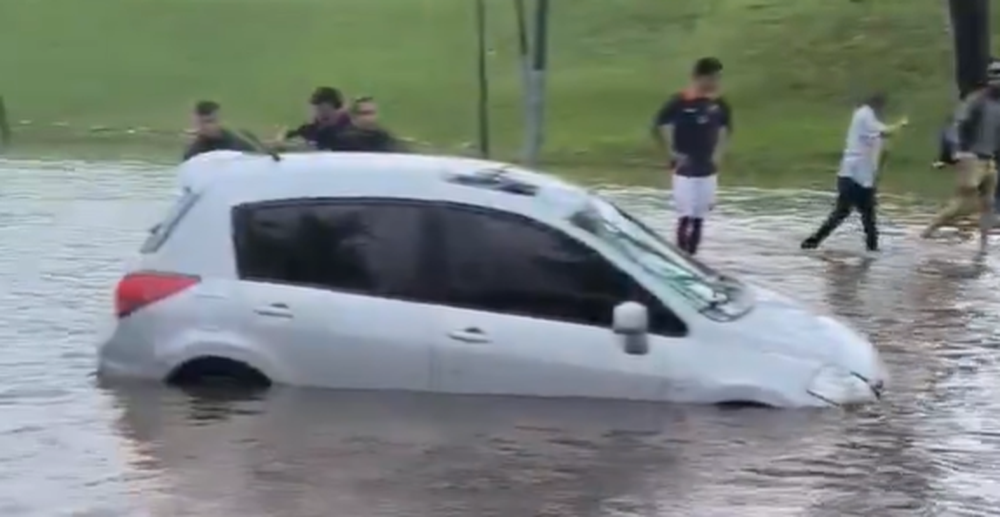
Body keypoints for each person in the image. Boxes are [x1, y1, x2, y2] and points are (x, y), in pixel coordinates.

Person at [801, 93, 908, 253]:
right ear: (877, 106)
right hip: (855, 178)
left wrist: (876, 177)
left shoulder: (867, 122)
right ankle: (872, 252)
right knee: (865, 217)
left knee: (845, 214)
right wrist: (901, 124)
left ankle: (812, 243)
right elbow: (886, 132)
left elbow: (881, 149)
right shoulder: (865, 115)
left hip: (857, 178)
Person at [653, 57, 732, 255]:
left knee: (699, 218)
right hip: (684, 168)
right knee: (685, 217)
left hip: (708, 168)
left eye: (718, 78)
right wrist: (671, 152)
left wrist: (718, 155)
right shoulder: (680, 101)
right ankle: (681, 258)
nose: (716, 83)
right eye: (712, 78)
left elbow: (725, 129)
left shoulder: (719, 104)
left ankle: (692, 259)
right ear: (699, 78)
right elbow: (660, 125)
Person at [921, 61, 1000, 253]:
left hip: (989, 160)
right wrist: (957, 151)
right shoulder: (976, 101)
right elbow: (955, 126)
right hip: (972, 157)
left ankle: (983, 247)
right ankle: (927, 232)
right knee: (962, 204)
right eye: (995, 76)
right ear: (989, 79)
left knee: (988, 205)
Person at [277, 86, 352, 151]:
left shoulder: (348, 132)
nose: (320, 113)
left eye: (325, 110)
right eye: (318, 109)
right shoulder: (312, 128)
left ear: (338, 109)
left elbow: (322, 147)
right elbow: (296, 136)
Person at [182, 101, 258, 161]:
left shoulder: (244, 139)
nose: (205, 127)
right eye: (200, 123)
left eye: (210, 121)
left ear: (220, 120)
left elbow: (264, 160)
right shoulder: (193, 153)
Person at [333, 96, 406, 152]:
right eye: (364, 113)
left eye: (372, 113)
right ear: (353, 117)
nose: (369, 118)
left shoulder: (383, 136)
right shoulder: (343, 140)